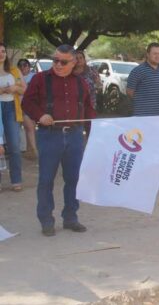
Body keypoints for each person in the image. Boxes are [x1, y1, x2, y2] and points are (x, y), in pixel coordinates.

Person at [22, 45, 96, 236]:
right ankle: (46, 221)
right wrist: (40, 115)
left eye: (63, 62)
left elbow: (88, 108)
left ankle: (71, 218)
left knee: (74, 179)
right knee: (46, 180)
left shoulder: (81, 82)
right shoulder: (40, 79)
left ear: (74, 62)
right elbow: (27, 102)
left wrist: (95, 132)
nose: (58, 65)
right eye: (55, 60)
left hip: (75, 135)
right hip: (49, 135)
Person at [0, 43, 25, 191]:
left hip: (11, 108)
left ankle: (16, 180)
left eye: (3, 51)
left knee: (14, 146)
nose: (1, 54)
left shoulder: (14, 70)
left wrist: (15, 88)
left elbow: (24, 90)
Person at [126, 42, 159, 117]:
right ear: (148, 54)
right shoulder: (137, 71)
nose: (158, 56)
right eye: (155, 53)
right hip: (143, 115)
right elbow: (129, 92)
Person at [17, 59, 37, 159]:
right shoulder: (15, 76)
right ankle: (26, 150)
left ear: (29, 66)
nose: (22, 67)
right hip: (16, 105)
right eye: (20, 65)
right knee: (19, 129)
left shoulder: (34, 76)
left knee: (29, 128)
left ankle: (33, 150)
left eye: (25, 65)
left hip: (28, 106)